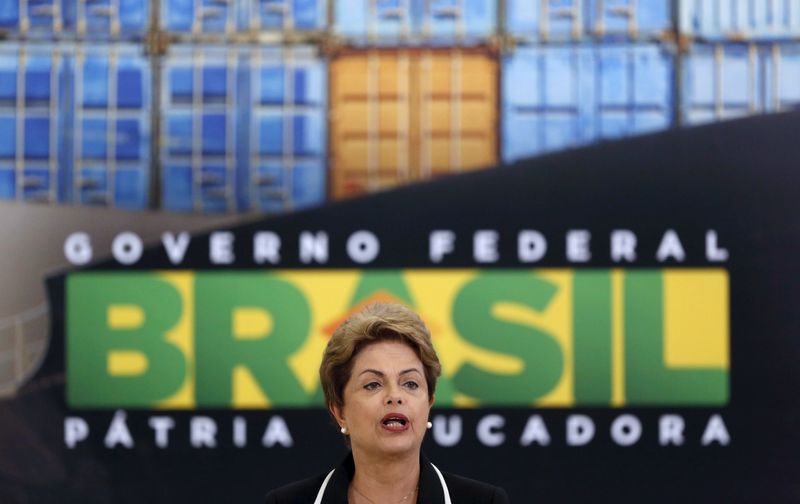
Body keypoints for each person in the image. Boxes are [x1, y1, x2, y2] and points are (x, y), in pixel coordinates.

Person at [265, 302, 510, 503]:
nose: (395, 396)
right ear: (339, 411)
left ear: (429, 403)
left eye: (410, 383)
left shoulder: (486, 501)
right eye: (373, 384)